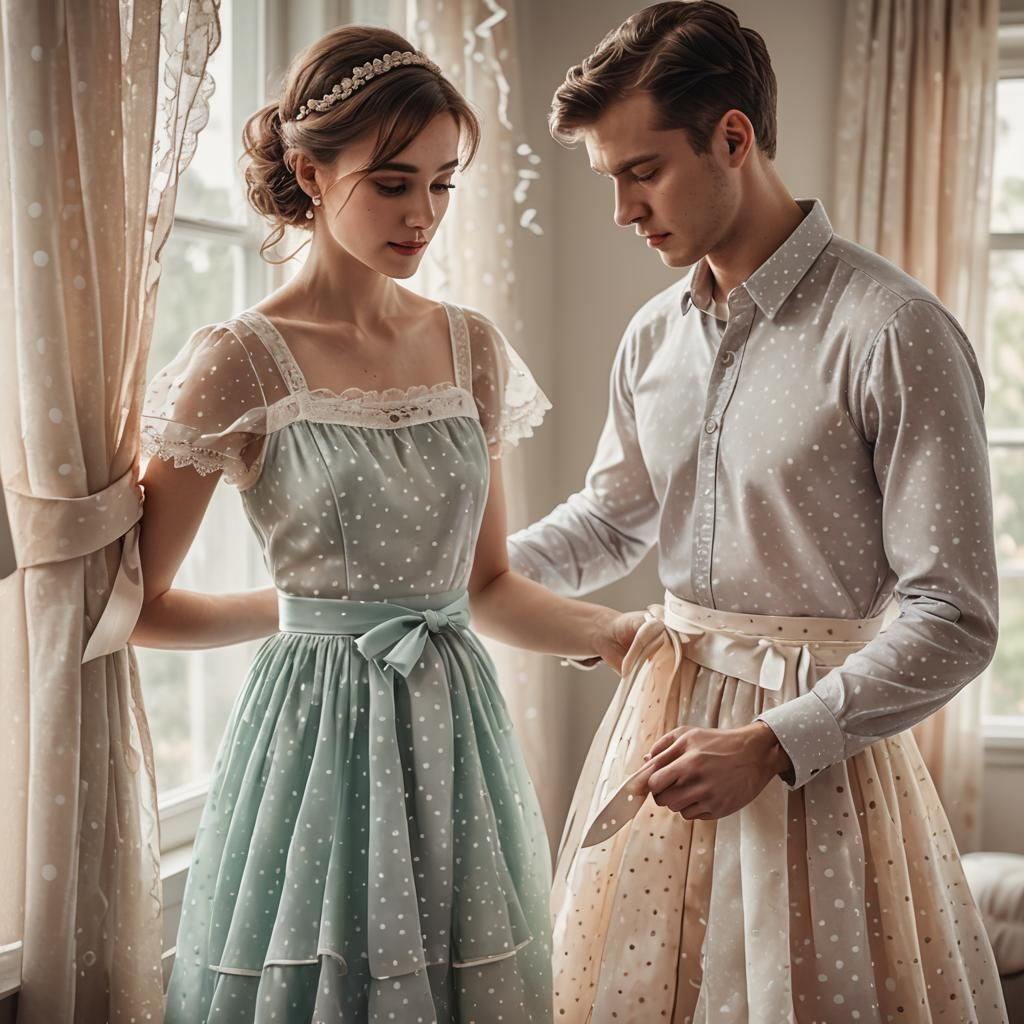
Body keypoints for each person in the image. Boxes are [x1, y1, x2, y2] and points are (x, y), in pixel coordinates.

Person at [507, 2, 1009, 1020]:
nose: (621, 210)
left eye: (640, 171)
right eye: (608, 180)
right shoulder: (652, 338)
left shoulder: (894, 331)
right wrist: (458, 570)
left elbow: (953, 614)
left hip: (819, 774)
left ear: (731, 137)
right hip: (660, 745)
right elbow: (611, 522)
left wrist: (774, 742)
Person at [133, 25, 639, 1024]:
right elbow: (137, 606)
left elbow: (487, 585)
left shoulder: (471, 350)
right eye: (394, 182)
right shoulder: (238, 360)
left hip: (457, 735)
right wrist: (303, 612)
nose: (423, 215)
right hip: (310, 738)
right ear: (309, 173)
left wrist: (616, 635)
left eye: (443, 184)